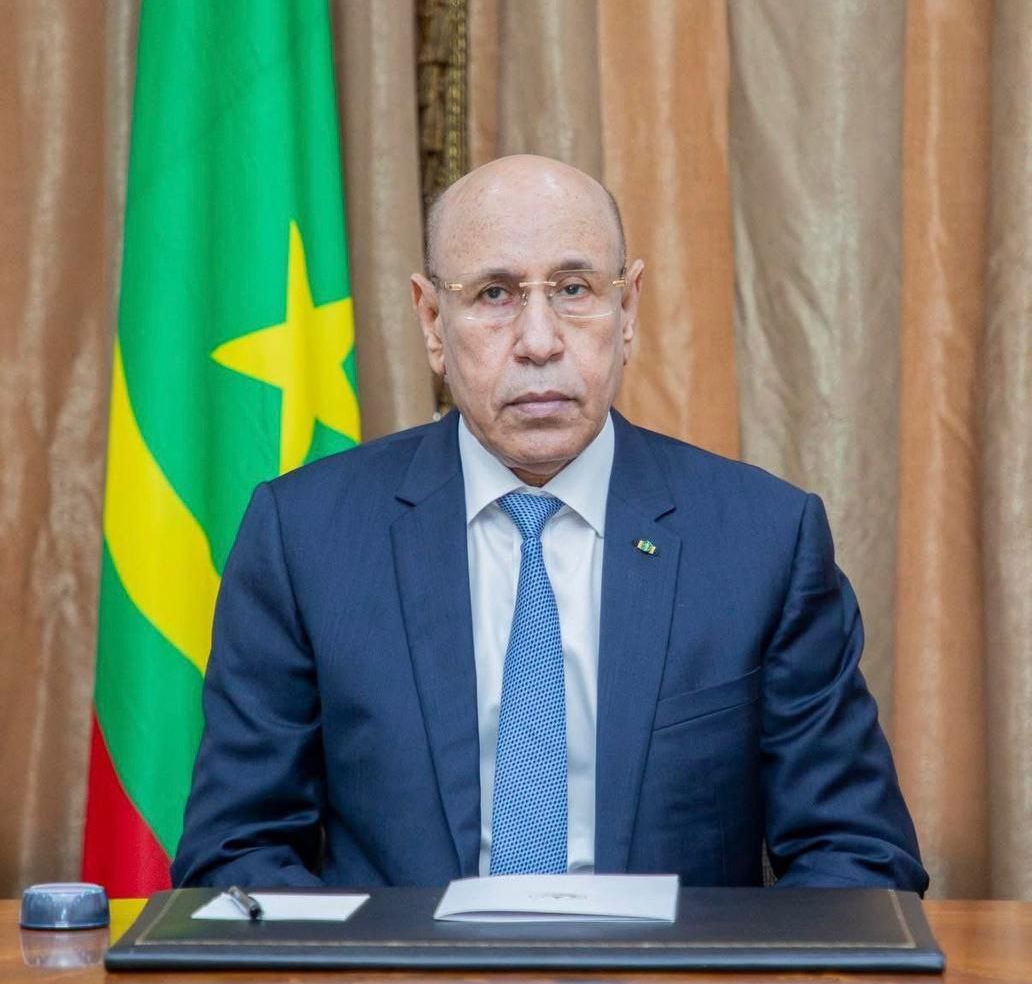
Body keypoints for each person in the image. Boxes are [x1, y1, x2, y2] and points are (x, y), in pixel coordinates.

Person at [171, 154, 928, 894]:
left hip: (668, 981)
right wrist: (378, 972)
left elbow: (858, 858)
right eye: (494, 294)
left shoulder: (763, 541)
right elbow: (236, 854)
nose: (539, 341)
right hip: (402, 977)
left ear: (627, 310)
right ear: (432, 320)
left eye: (573, 289)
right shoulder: (306, 539)